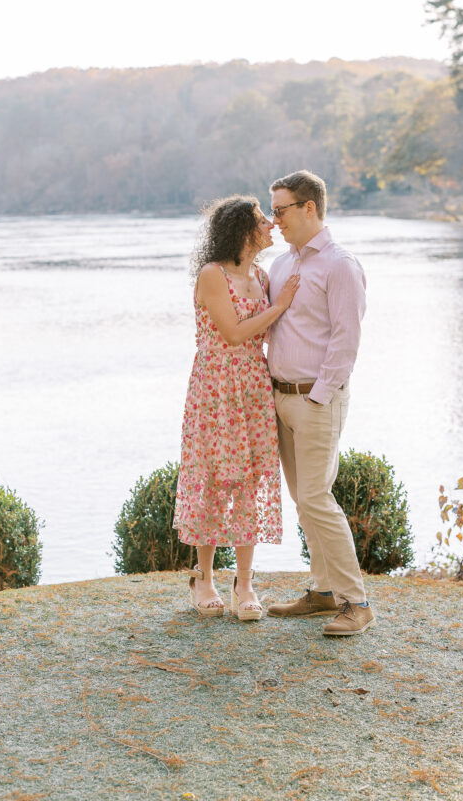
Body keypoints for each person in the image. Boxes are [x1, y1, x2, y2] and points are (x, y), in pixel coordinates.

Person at [173, 195, 299, 620]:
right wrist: (280, 307)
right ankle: (203, 577)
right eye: (262, 220)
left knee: (250, 480)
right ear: (242, 231)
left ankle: (244, 583)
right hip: (216, 388)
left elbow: (262, 337)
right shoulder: (212, 275)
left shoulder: (262, 277)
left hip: (252, 386)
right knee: (212, 479)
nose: (270, 225)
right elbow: (231, 333)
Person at [265, 170, 374, 636]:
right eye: (272, 211)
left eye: (281, 210)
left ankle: (358, 602)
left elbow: (346, 340)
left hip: (315, 399)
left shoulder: (340, 264)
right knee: (302, 499)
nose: (275, 221)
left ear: (309, 207)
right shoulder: (280, 266)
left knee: (315, 497)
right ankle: (323, 590)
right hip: (279, 398)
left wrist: (318, 397)